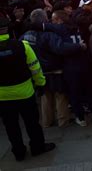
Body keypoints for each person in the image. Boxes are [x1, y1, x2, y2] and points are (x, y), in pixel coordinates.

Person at [0, 17, 55, 161]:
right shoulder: (22, 45)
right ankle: (37, 147)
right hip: (25, 92)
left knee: (11, 126)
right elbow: (35, 67)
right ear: (7, 29)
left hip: (3, 96)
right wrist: (41, 84)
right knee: (32, 123)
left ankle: (18, 152)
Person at [21, 9, 84, 128]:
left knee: (45, 97)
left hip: (37, 70)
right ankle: (63, 121)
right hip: (54, 69)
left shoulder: (25, 35)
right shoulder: (49, 34)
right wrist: (78, 46)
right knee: (60, 96)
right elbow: (60, 48)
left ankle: (46, 121)